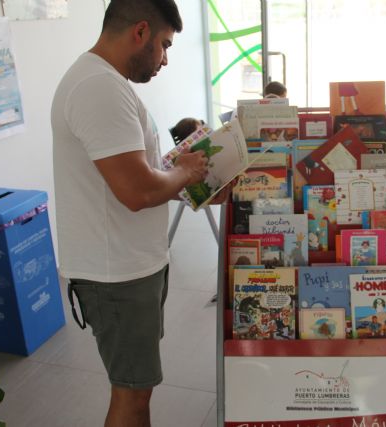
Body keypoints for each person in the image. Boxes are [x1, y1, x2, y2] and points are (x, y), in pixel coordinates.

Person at [51, 1, 221, 425]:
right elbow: (137, 190)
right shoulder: (98, 88)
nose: (165, 59)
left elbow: (137, 176)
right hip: (116, 276)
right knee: (132, 394)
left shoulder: (106, 81)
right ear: (141, 32)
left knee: (137, 385)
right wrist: (182, 172)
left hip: (129, 266)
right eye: (164, 45)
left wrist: (185, 178)